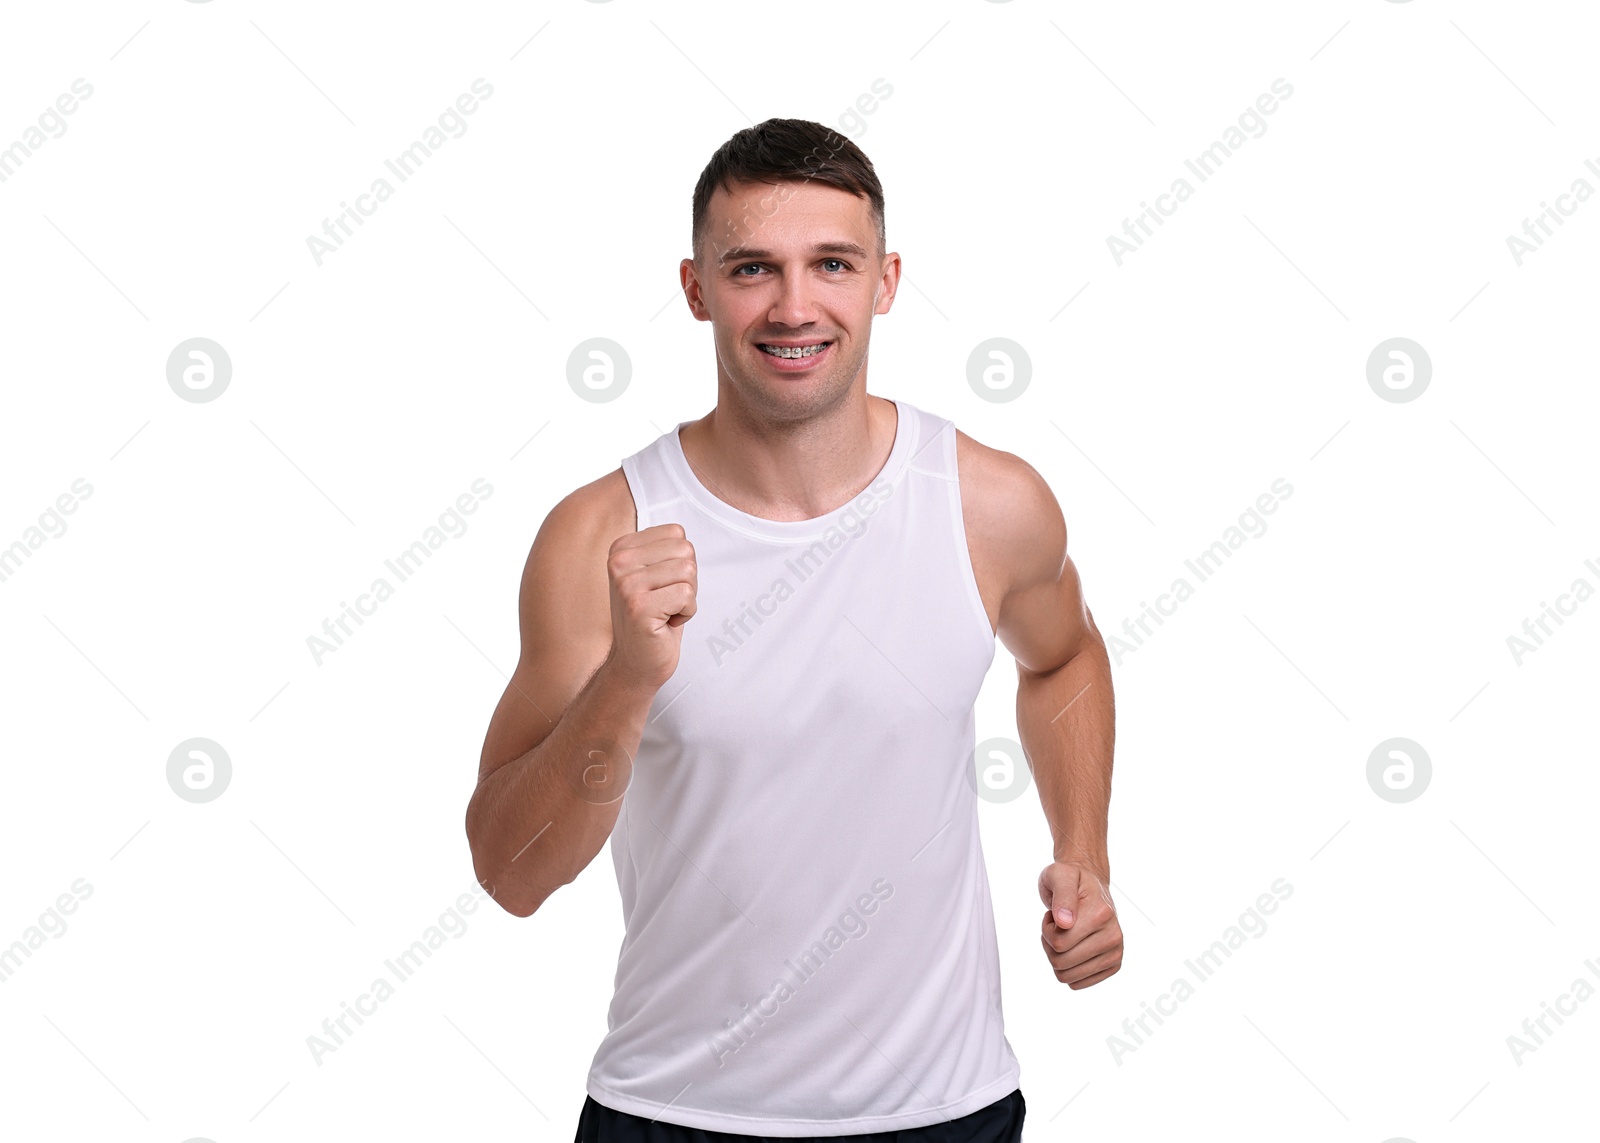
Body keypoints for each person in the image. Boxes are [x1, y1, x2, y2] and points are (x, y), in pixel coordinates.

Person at [465, 118, 1121, 1143]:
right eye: (750, 269)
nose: (793, 306)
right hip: (670, 1112)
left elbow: (1066, 654)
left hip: (944, 1112)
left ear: (885, 281)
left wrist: (1083, 850)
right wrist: (629, 682)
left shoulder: (988, 504)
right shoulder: (599, 533)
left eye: (831, 264)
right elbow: (511, 873)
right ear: (695, 290)